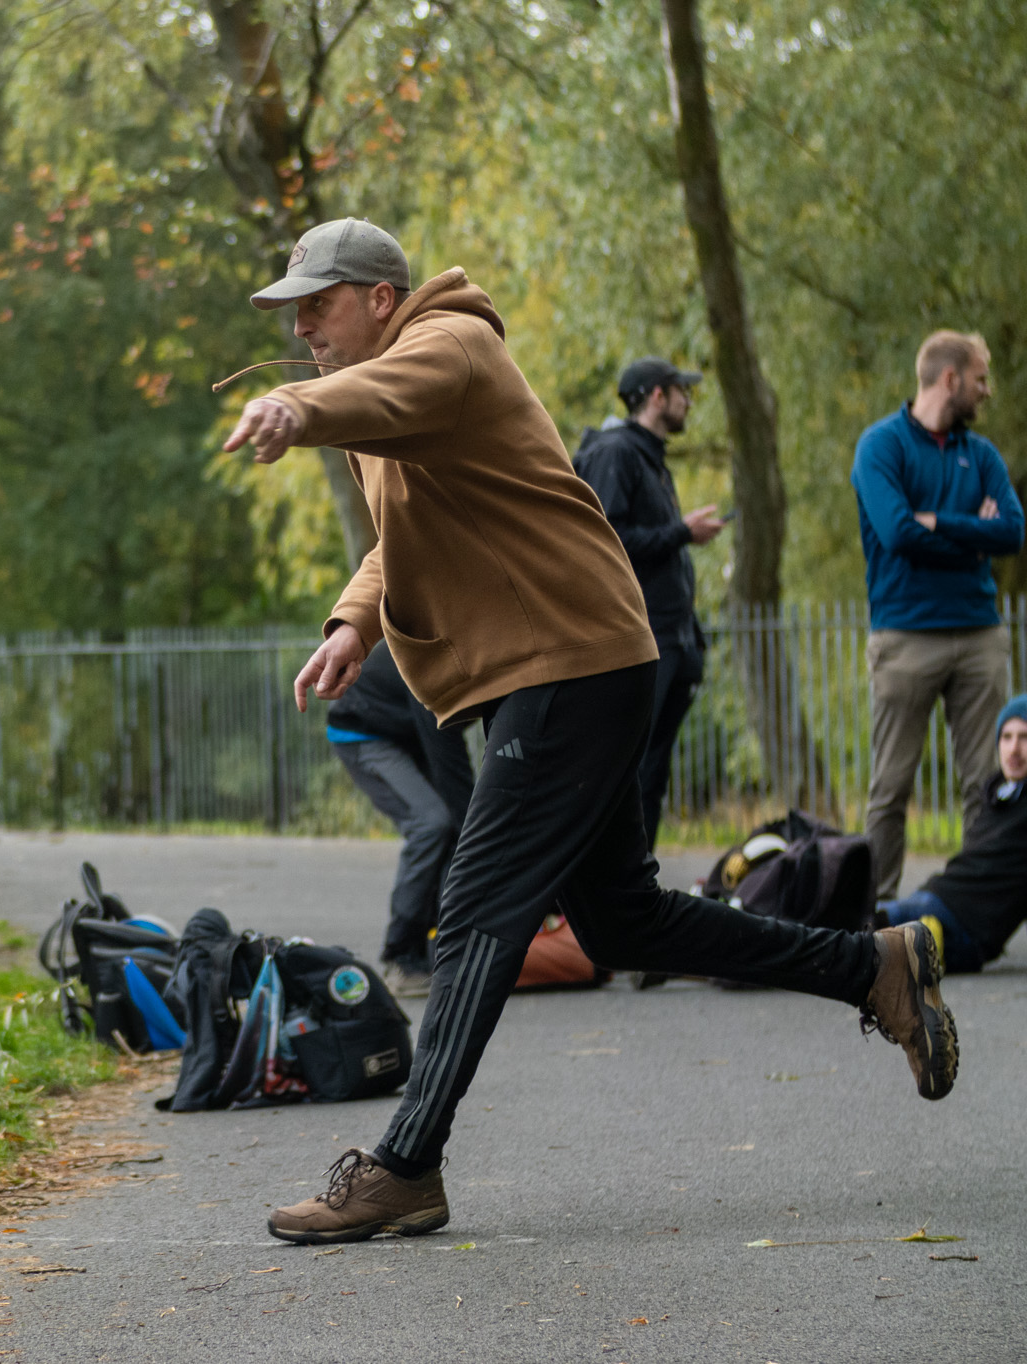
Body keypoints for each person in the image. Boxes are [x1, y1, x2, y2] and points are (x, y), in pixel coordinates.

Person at [220, 217, 957, 1246]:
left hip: (565, 657)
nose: (301, 326)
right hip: (564, 662)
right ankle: (870, 965)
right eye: (290, 313)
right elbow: (404, 534)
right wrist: (353, 621)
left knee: (477, 903)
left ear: (379, 297)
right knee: (621, 920)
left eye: (318, 302)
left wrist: (295, 405)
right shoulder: (389, 392)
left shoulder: (447, 347)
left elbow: (381, 394)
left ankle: (403, 1162)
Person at [852, 331, 1024, 899]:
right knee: (892, 787)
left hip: (979, 634)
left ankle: (973, 912)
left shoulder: (983, 454)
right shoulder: (881, 446)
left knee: (987, 783)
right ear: (950, 379)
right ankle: (871, 919)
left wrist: (941, 523)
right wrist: (975, 533)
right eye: (980, 379)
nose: (986, 391)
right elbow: (897, 532)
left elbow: (1013, 532)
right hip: (905, 637)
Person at [573, 358, 727, 848]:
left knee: (653, 770)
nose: (689, 402)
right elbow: (604, 538)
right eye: (683, 391)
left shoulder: (649, 456)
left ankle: (642, 893)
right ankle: (611, 897)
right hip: (638, 640)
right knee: (629, 770)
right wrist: (683, 532)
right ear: (658, 396)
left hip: (673, 638)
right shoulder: (616, 453)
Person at [325, 639, 474, 997]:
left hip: (403, 732)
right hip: (362, 730)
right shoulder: (444, 660)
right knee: (432, 823)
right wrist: (477, 823)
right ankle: (401, 957)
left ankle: (439, 950)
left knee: (455, 827)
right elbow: (446, 750)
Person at [881, 696, 1027, 974]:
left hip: (963, 929)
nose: (1014, 749)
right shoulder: (997, 794)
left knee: (857, 927)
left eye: (1024, 737)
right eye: (1006, 737)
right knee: (852, 919)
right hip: (934, 898)